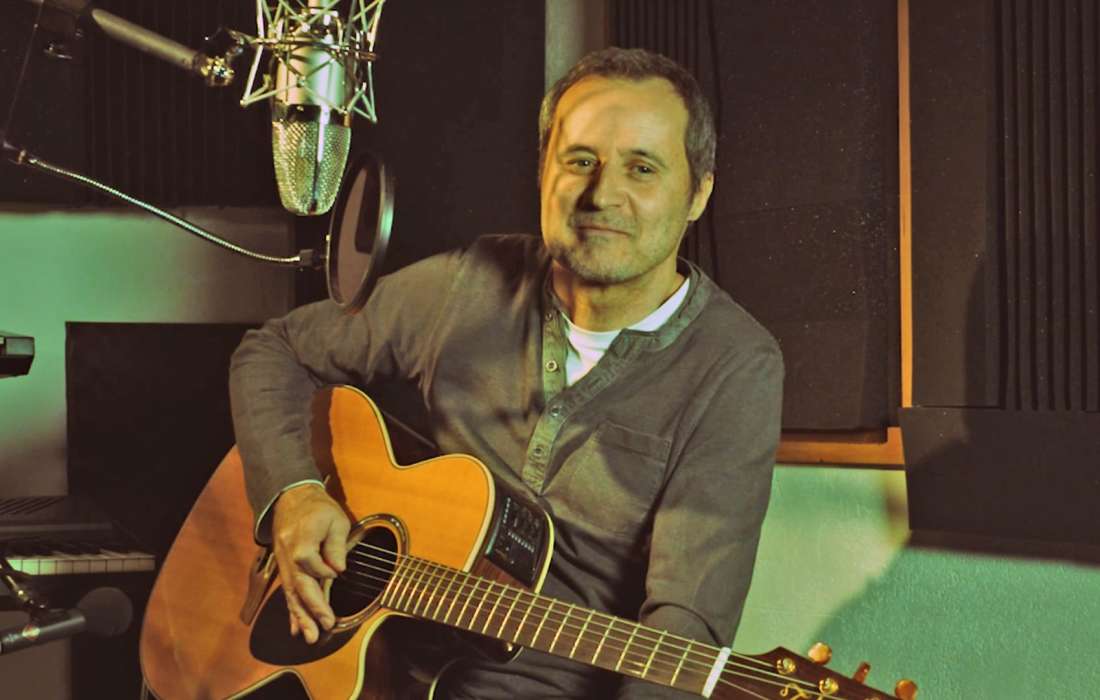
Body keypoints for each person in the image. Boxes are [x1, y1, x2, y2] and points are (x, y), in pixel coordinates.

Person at [229, 47, 783, 698]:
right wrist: (294, 493)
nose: (603, 195)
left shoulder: (735, 367)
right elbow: (275, 349)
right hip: (372, 667)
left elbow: (685, 627)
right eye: (581, 161)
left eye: (642, 168)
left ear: (698, 193)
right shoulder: (470, 282)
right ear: (543, 171)